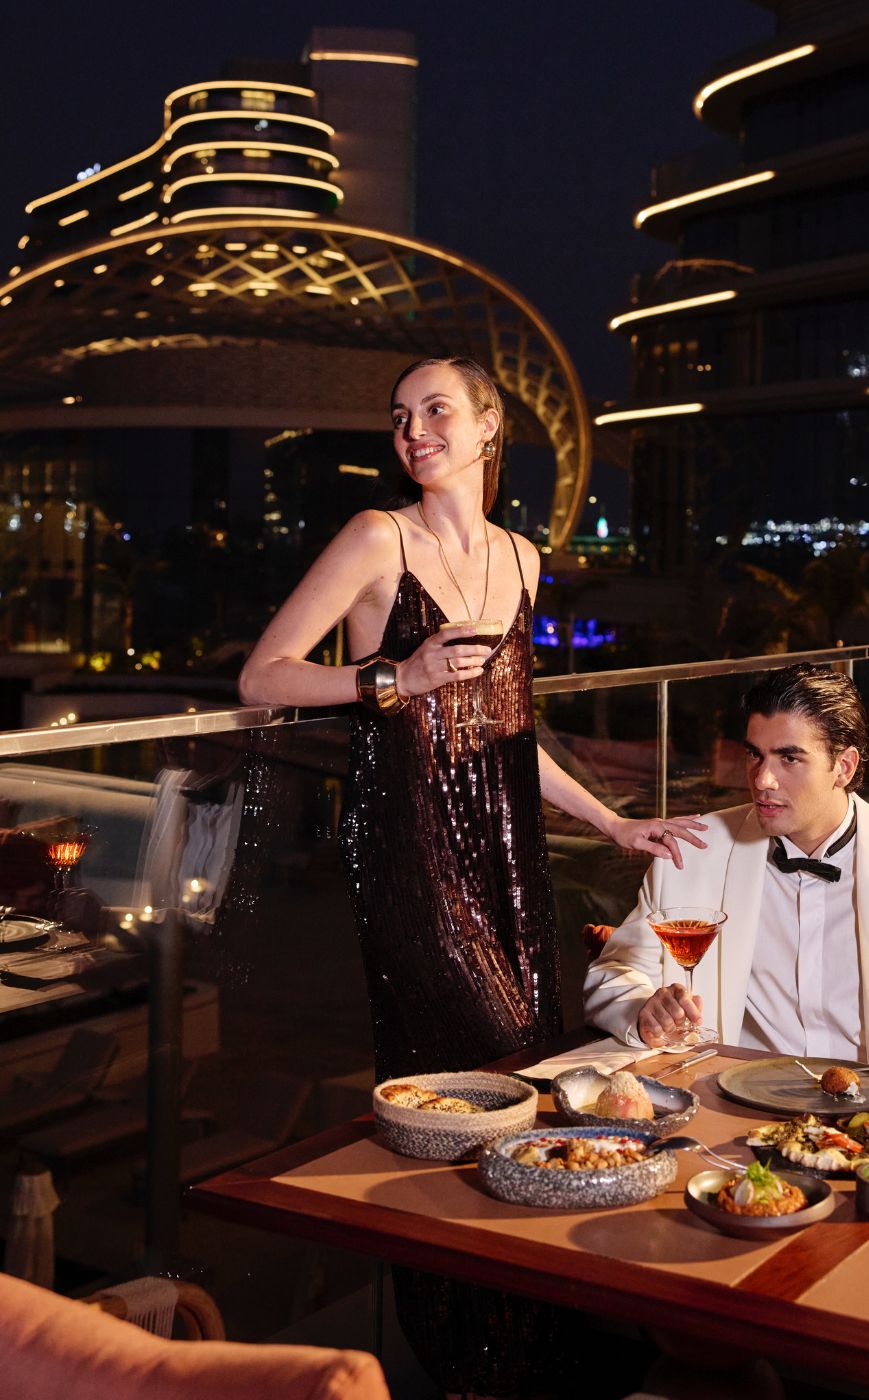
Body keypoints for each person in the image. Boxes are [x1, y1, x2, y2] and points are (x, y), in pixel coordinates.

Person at [238, 355, 705, 1395]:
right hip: (409, 843)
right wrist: (390, 677)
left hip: (509, 845)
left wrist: (611, 819)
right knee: (474, 1070)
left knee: (525, 1075)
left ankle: (528, 1339)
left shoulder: (524, 558)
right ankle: (468, 1352)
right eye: (401, 417)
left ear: (491, 428)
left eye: (436, 411)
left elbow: (507, 729)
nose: (414, 432)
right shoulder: (376, 537)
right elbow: (262, 673)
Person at [583, 663, 869, 1066]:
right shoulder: (693, 852)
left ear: (843, 767)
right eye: (755, 755)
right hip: (736, 1109)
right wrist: (644, 1013)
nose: (762, 779)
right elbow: (612, 976)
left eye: (790, 758)